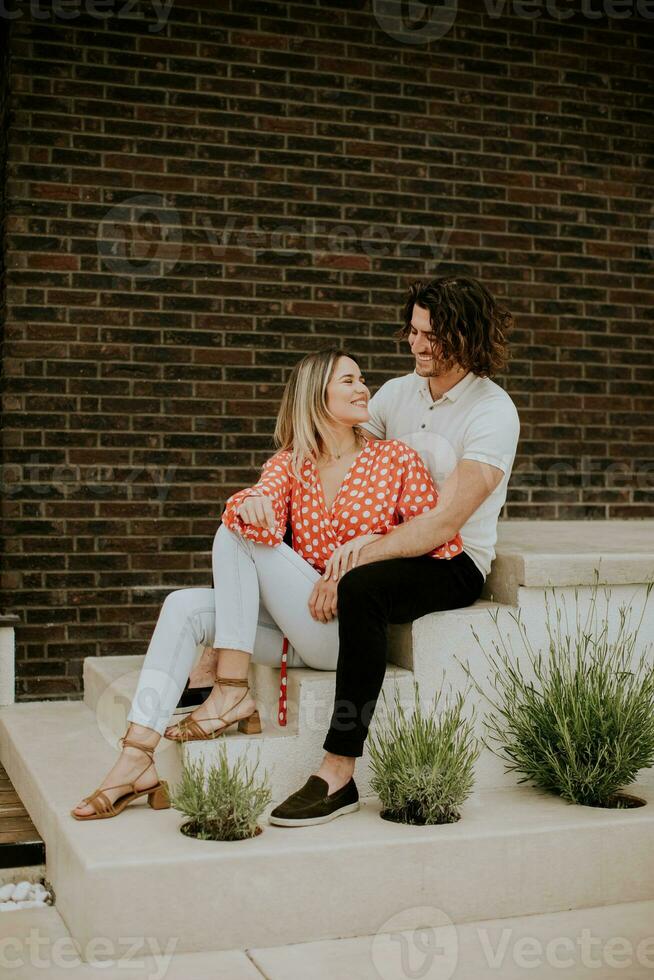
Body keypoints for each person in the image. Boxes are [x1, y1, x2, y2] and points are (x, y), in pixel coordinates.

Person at [71, 348, 462, 820]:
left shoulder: (395, 459)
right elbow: (259, 498)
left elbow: (434, 541)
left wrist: (368, 543)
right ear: (315, 395)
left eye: (362, 380)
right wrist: (255, 501)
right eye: (349, 381)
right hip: (296, 626)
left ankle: (231, 688)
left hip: (347, 630)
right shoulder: (292, 463)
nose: (364, 389)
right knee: (184, 603)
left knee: (234, 531)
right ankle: (136, 757)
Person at [268, 275, 519, 827]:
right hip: (384, 543)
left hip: (452, 562)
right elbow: (337, 455)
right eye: (412, 330)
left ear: (468, 336)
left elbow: (445, 523)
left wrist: (360, 552)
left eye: (432, 335)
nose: (416, 344)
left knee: (362, 588)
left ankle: (338, 772)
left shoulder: (491, 412)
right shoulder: (395, 394)